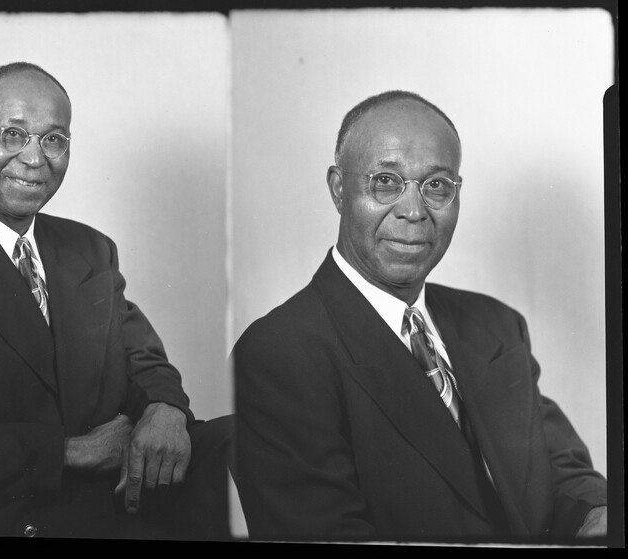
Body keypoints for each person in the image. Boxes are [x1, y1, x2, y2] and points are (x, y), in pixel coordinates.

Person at [0, 61, 231, 539]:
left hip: (107, 516)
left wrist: (166, 408)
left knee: (254, 436)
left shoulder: (90, 249)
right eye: (13, 135)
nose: (35, 159)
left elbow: (141, 360)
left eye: (53, 139)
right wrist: (74, 451)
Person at [232, 90, 607, 542]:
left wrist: (596, 512)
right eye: (385, 182)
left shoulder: (495, 324)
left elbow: (556, 468)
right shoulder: (278, 354)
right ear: (338, 189)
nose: (413, 212)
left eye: (436, 186)